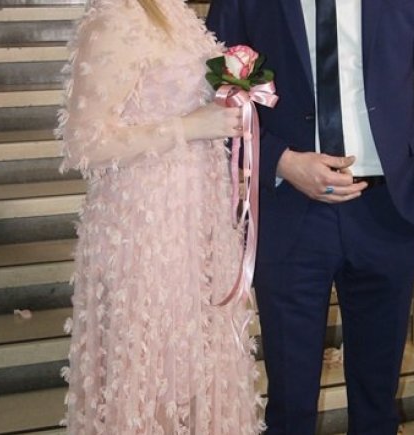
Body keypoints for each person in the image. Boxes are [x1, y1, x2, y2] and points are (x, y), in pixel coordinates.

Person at [207, 0, 414, 434]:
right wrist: (282, 161)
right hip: (289, 208)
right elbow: (219, 88)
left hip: (389, 212)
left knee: (377, 401)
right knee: (290, 404)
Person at [57, 0, 264, 433]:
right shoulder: (113, 17)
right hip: (144, 226)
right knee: (153, 378)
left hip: (197, 216)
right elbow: (84, 143)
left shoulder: (175, 11)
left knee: (194, 372)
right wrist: (188, 127)